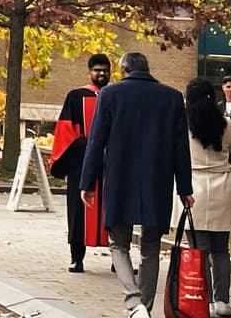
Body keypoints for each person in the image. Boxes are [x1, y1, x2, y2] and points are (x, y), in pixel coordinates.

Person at [80, 52, 193, 318]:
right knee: (151, 248)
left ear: (123, 70)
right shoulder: (172, 98)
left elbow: (96, 142)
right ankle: (146, 307)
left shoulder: (110, 95)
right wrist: (185, 188)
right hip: (157, 180)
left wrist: (87, 182)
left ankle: (134, 303)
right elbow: (181, 148)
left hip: (121, 179)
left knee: (118, 243)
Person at [177, 78, 231, 318]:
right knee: (221, 250)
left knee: (198, 250)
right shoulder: (226, 125)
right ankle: (222, 301)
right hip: (222, 188)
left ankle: (201, 299)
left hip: (194, 188)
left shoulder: (183, 124)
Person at [49, 53, 112, 273]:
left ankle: (118, 259)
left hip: (112, 165)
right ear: (89, 71)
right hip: (81, 163)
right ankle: (77, 258)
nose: (101, 73)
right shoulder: (76, 97)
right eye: (97, 70)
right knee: (78, 211)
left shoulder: (116, 95)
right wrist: (87, 146)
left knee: (114, 209)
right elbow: (66, 131)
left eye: (105, 69)